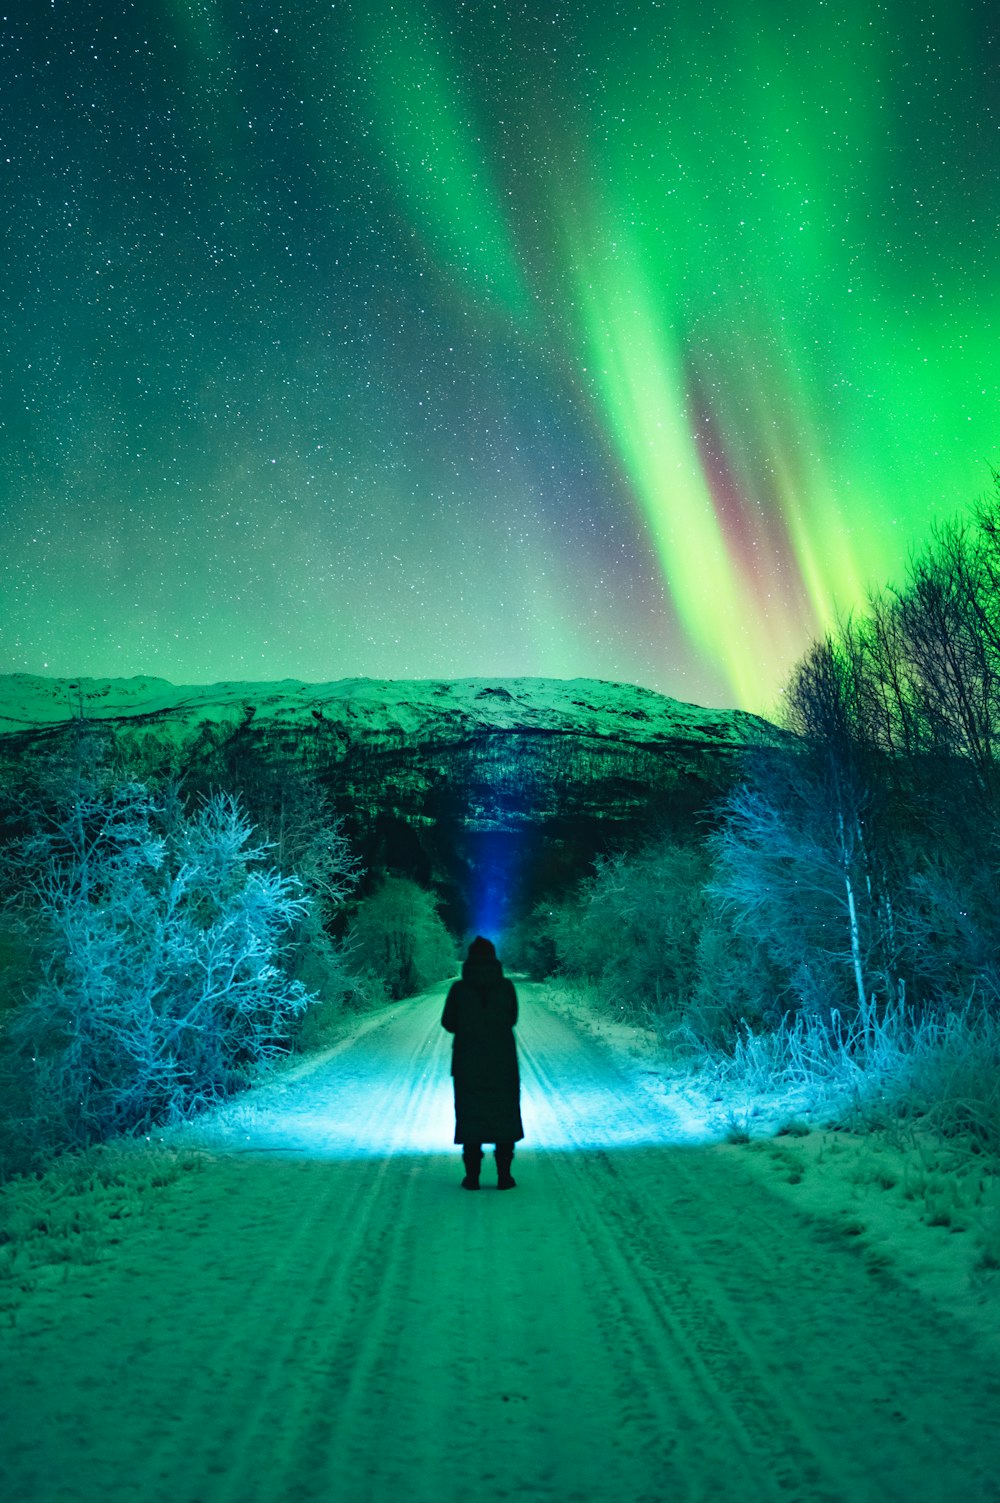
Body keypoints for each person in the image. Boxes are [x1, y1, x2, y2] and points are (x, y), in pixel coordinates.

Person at [441, 935, 524, 1190]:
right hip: (502, 1061)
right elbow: (512, 1018)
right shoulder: (506, 987)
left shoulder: (458, 989)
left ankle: (472, 1177)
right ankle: (504, 1176)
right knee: (503, 1114)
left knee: (471, 1115)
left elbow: (449, 1023)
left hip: (468, 1062)